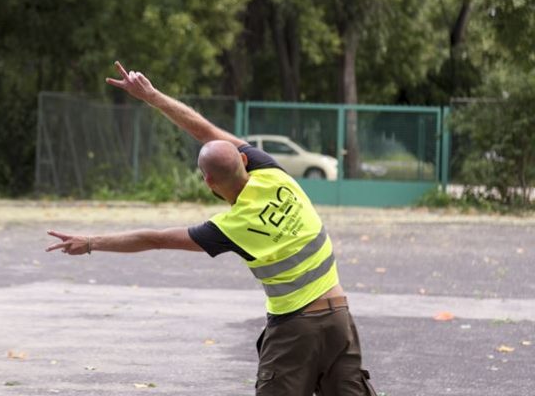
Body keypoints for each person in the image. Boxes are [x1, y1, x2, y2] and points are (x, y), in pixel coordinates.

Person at [46, 62, 377, 396]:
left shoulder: (230, 227)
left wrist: (90, 242)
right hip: (340, 319)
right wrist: (151, 95)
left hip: (295, 328)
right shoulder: (274, 173)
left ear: (207, 181)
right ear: (245, 160)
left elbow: (155, 239)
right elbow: (205, 130)